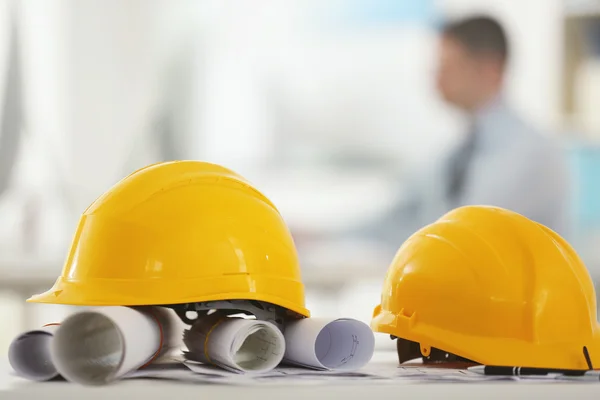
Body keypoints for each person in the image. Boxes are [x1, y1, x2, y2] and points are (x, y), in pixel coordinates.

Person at [358, 15, 569, 248]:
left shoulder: (530, 153)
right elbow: (401, 213)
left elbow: (461, 235)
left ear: (489, 70)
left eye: (447, 67)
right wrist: (325, 235)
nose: (436, 79)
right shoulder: (454, 152)